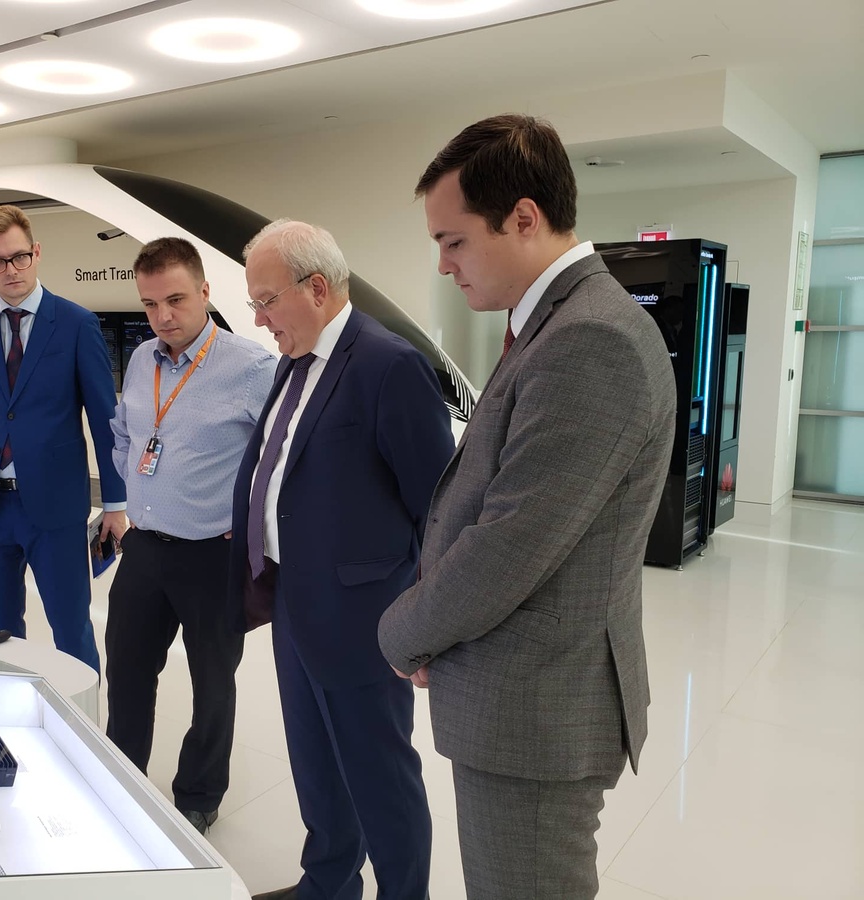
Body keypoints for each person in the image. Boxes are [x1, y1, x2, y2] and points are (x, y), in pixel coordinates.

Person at [377, 114, 677, 899]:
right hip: (520, 695)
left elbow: (509, 546)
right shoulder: (556, 325)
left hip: (536, 710)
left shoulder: (591, 340)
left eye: (453, 240)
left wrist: (403, 631)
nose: (443, 264)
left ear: (523, 218)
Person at [229, 220, 454, 900]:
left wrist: (427, 628)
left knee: (379, 775)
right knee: (316, 765)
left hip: (365, 619)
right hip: (295, 603)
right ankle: (327, 885)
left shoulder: (389, 365)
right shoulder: (294, 361)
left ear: (318, 288)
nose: (259, 318)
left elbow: (438, 512)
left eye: (267, 301)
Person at [106, 237, 274, 835]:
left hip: (213, 557)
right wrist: (132, 487)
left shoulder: (252, 367)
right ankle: (121, 777)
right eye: (150, 304)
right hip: (144, 548)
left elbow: (283, 457)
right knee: (127, 674)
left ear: (205, 292)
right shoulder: (141, 360)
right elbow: (124, 433)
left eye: (175, 299)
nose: (163, 316)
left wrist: (250, 525)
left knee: (212, 685)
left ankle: (199, 794)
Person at [0, 204, 126, 673]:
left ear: (37, 252)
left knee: (72, 629)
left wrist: (115, 503)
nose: (11, 270)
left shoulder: (77, 323)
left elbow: (105, 420)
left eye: (19, 257)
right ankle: (15, 713)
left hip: (55, 509)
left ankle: (82, 715)